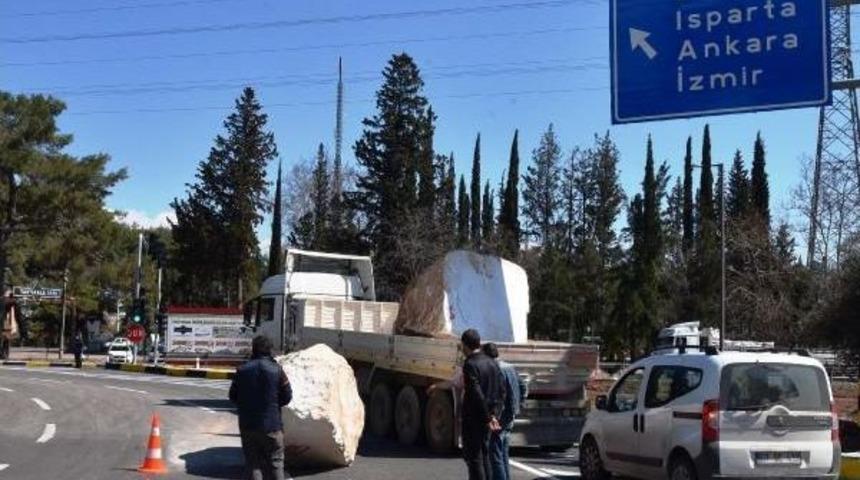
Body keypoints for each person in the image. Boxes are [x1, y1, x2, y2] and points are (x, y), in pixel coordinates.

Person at [229, 336, 292, 480]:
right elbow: (287, 396)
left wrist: (247, 406)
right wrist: (273, 406)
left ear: (253, 349)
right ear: (270, 350)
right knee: (276, 463)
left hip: (248, 425)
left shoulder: (242, 370)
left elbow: (233, 396)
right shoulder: (277, 370)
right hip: (272, 426)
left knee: (253, 464)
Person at [460, 329, 505, 480]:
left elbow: (476, 393)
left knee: (474, 458)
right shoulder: (492, 362)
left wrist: (487, 417)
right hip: (490, 415)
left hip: (475, 417)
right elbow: (501, 390)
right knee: (485, 455)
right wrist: (494, 415)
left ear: (465, 345)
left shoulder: (470, 364)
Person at [483, 342, 528, 480]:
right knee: (503, 452)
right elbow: (523, 386)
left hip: (500, 415)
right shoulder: (510, 367)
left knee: (495, 452)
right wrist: (519, 403)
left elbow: (496, 395)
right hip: (511, 413)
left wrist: (492, 414)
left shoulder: (495, 370)